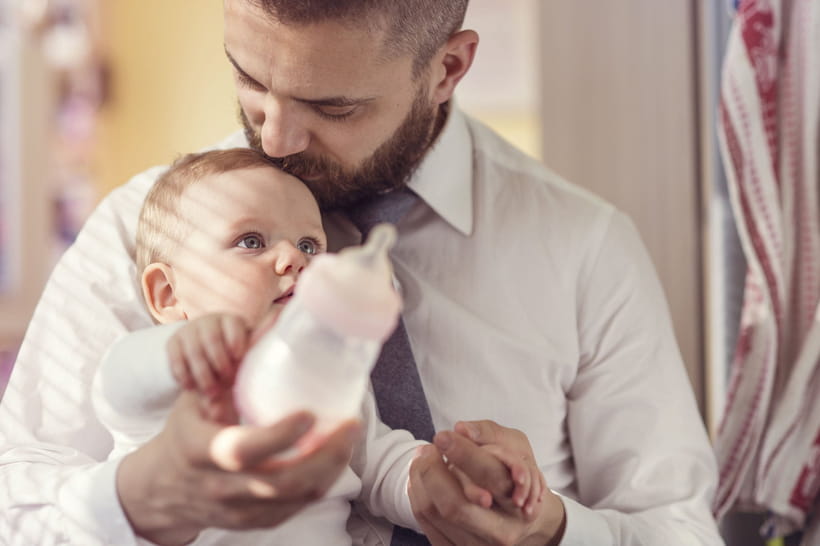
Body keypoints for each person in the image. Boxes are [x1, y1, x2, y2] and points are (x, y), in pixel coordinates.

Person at [0, 1, 725, 545]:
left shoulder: (586, 248)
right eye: (248, 77)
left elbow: (680, 529)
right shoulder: (148, 230)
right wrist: (149, 499)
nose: (275, 138)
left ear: (447, 68)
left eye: (331, 105)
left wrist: (555, 529)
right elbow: (15, 510)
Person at [91, 147, 541, 544]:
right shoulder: (168, 377)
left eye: (309, 244)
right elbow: (116, 384)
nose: (294, 259)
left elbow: (379, 466)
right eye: (251, 241)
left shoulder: (326, 376)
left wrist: (441, 478)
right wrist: (177, 350)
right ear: (168, 296)